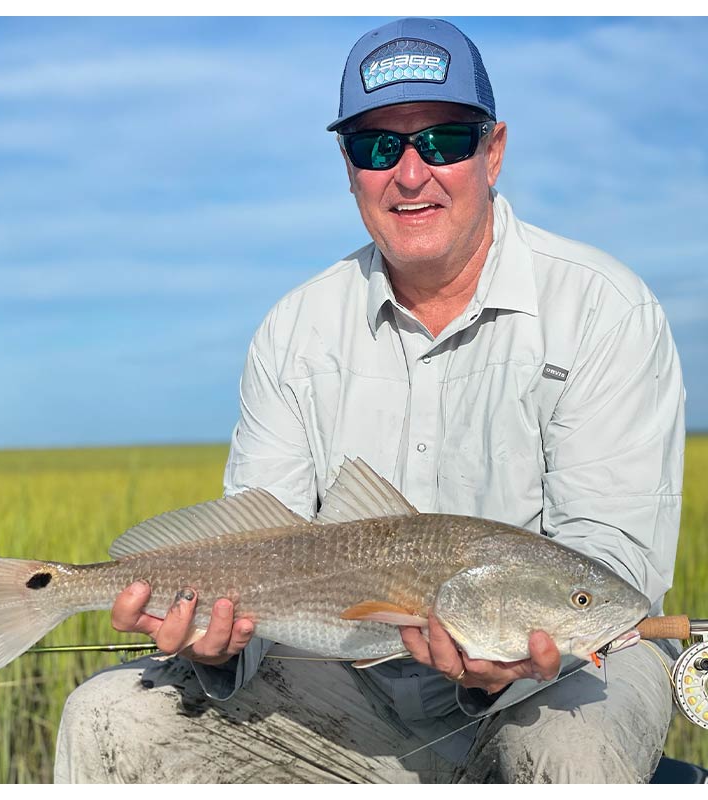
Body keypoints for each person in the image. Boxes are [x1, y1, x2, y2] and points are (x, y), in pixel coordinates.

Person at [54, 18, 686, 783]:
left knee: (567, 751)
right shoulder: (294, 329)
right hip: (349, 676)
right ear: (349, 167)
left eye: (444, 140)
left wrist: (519, 655)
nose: (411, 173)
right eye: (378, 146)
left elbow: (613, 571)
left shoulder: (604, 307)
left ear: (494, 152)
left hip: (572, 678)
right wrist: (216, 642)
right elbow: (260, 534)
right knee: (109, 714)